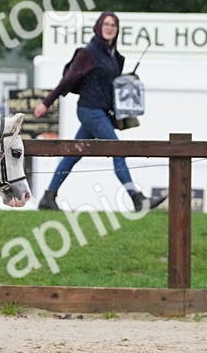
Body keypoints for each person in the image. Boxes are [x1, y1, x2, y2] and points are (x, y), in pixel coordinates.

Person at [33, 11, 162, 212]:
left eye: (113, 25)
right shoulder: (88, 53)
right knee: (119, 151)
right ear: (99, 27)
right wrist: (46, 103)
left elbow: (109, 84)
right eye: (106, 24)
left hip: (99, 112)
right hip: (89, 111)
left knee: (72, 156)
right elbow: (67, 79)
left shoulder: (113, 56)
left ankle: (48, 198)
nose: (110, 27)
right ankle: (137, 199)